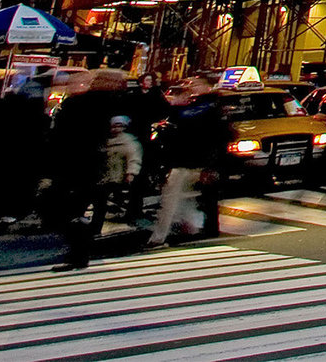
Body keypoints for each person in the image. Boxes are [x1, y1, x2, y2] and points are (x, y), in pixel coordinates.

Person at [47, 70, 129, 268]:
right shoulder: (100, 104)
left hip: (80, 163)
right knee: (80, 210)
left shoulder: (83, 104)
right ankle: (80, 251)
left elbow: (59, 135)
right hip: (86, 163)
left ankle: (79, 252)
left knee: (75, 209)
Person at [149, 89, 229, 244]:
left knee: (171, 202)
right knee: (190, 200)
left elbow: (175, 137)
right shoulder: (208, 113)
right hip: (195, 164)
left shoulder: (191, 114)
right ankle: (194, 229)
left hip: (186, 164)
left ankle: (160, 237)